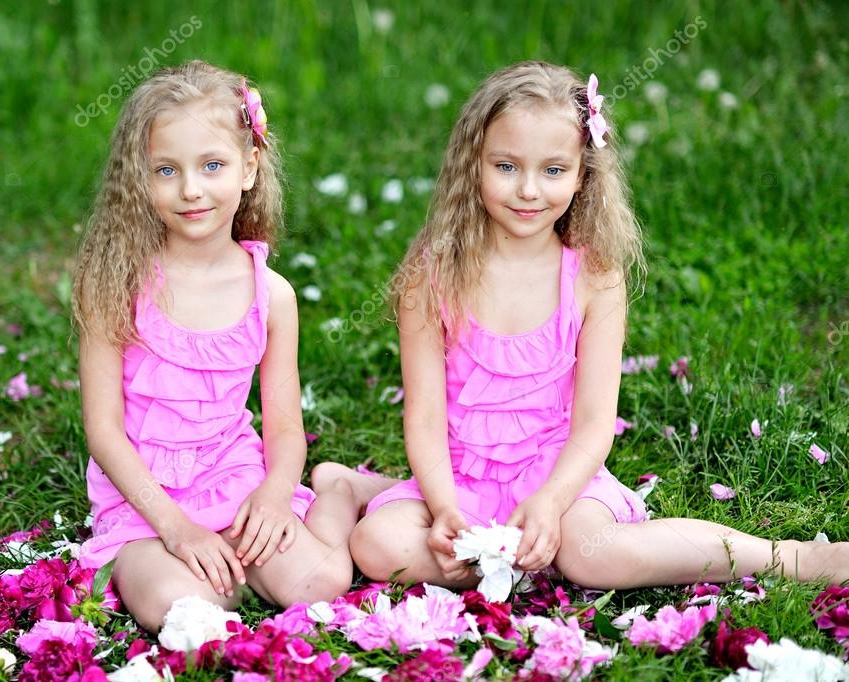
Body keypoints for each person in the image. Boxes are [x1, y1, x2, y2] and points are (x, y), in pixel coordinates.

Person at [349, 61, 848, 590]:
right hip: (458, 475)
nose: (529, 191)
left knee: (595, 557)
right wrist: (445, 508)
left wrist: (550, 502)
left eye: (553, 170)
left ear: (584, 173)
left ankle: (789, 557)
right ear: (473, 163)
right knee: (378, 545)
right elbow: (424, 420)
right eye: (506, 166)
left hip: (557, 472)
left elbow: (592, 425)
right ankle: (499, 556)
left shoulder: (594, 280)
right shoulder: (432, 276)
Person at [71, 61, 382, 631]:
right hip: (145, 499)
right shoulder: (114, 284)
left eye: (212, 165)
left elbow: (284, 426)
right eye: (166, 170)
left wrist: (273, 493)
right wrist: (175, 527)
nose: (191, 189)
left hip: (231, 476)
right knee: (187, 608)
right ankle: (184, 558)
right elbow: (105, 431)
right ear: (140, 177)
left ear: (248, 167)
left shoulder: (271, 295)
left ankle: (337, 486)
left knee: (321, 582)